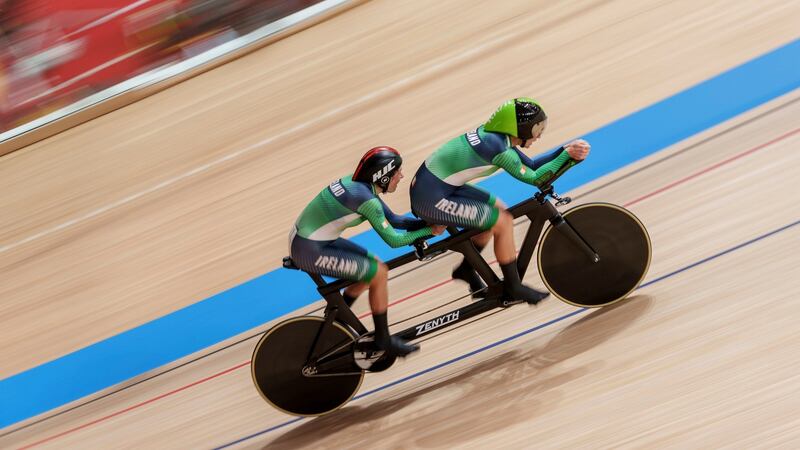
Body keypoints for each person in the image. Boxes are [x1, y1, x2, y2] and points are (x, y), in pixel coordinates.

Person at [409, 97, 590, 303]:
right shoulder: (497, 148)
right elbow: (535, 178)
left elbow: (530, 165)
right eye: (536, 129)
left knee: (498, 209)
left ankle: (466, 270)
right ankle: (513, 287)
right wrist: (567, 156)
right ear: (519, 129)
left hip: (438, 189)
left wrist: (563, 150)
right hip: (431, 199)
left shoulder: (497, 138)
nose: (538, 135)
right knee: (501, 222)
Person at [289, 146, 444, 356]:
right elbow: (394, 241)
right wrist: (430, 231)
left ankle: (340, 319)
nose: (401, 176)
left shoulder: (360, 186)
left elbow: (395, 220)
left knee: (373, 268)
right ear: (382, 177)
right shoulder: (367, 200)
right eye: (396, 172)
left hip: (313, 240)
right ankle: (382, 339)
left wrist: (424, 223)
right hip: (308, 248)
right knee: (378, 273)